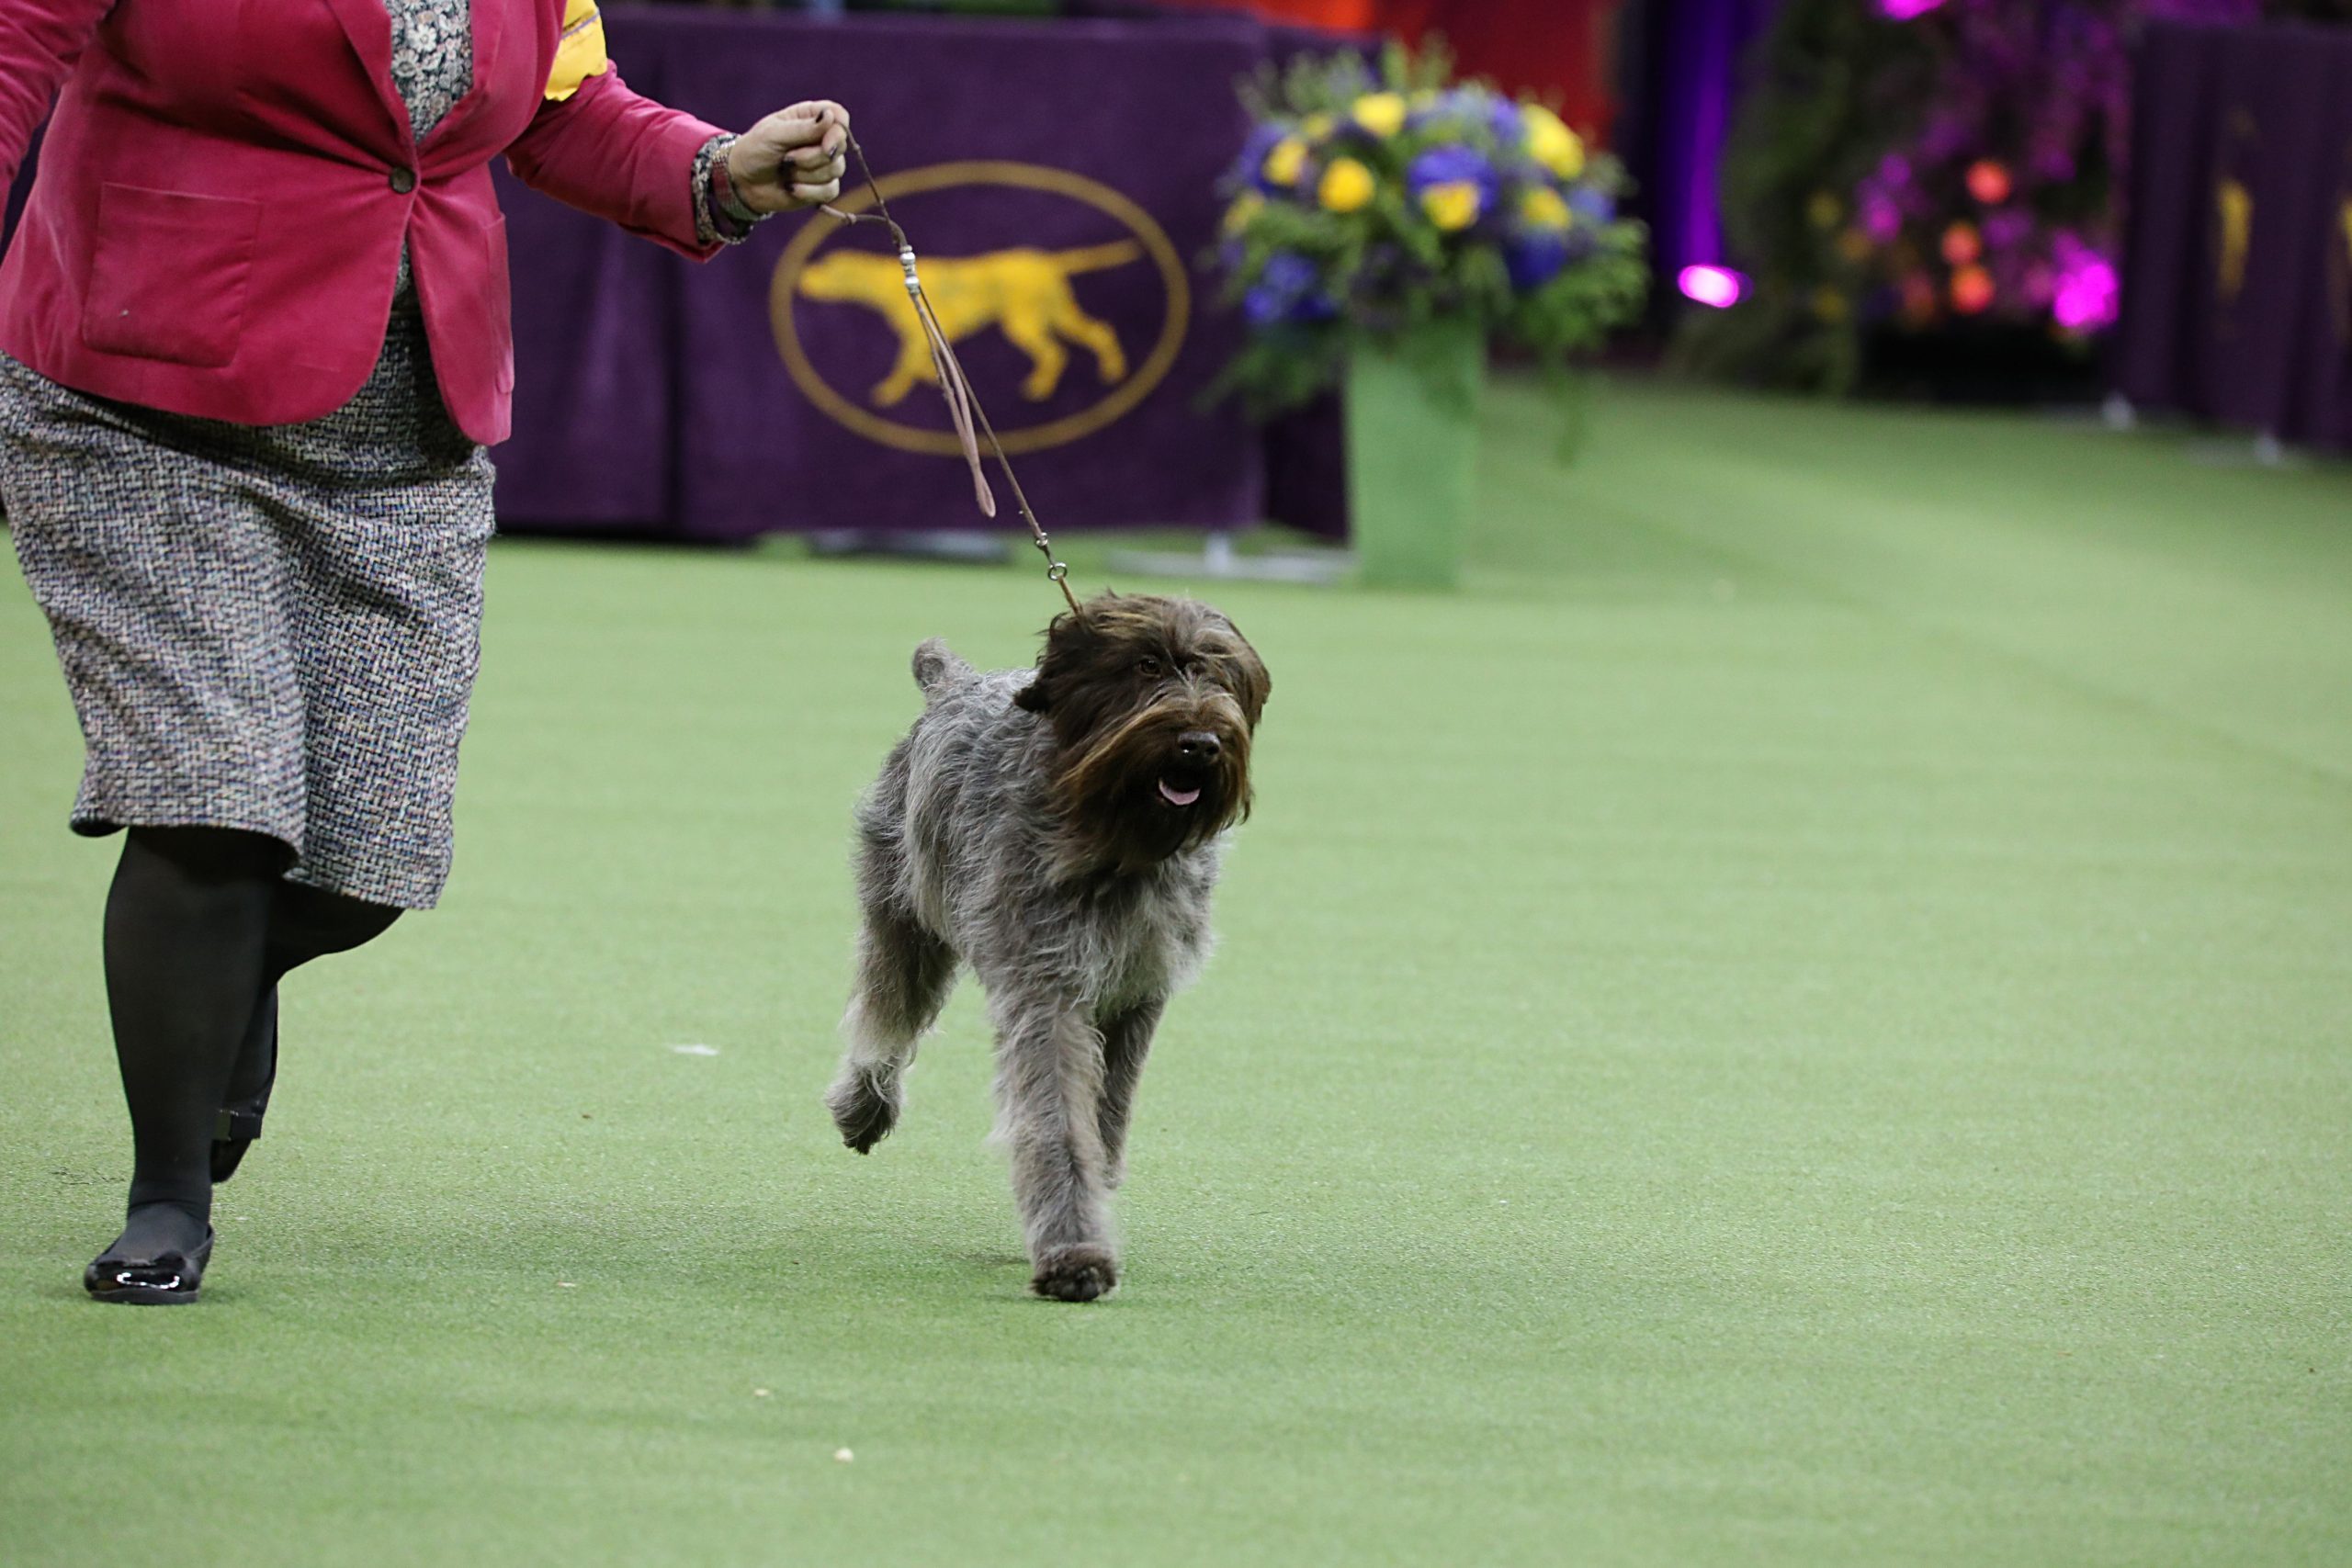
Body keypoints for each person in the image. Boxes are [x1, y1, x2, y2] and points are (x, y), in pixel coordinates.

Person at [0, 0, 849, 1303]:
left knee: (368, 864)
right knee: (210, 798)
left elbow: (564, 107)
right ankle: (166, 1199)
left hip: (410, 434)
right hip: (140, 398)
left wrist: (714, 167)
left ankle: (220, 978)